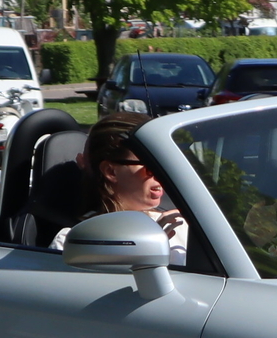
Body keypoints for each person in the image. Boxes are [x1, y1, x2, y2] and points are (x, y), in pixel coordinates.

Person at [52, 112, 188, 266]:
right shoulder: (73, 243)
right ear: (111, 171)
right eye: (149, 165)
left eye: (163, 163)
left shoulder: (183, 225)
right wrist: (145, 251)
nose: (160, 173)